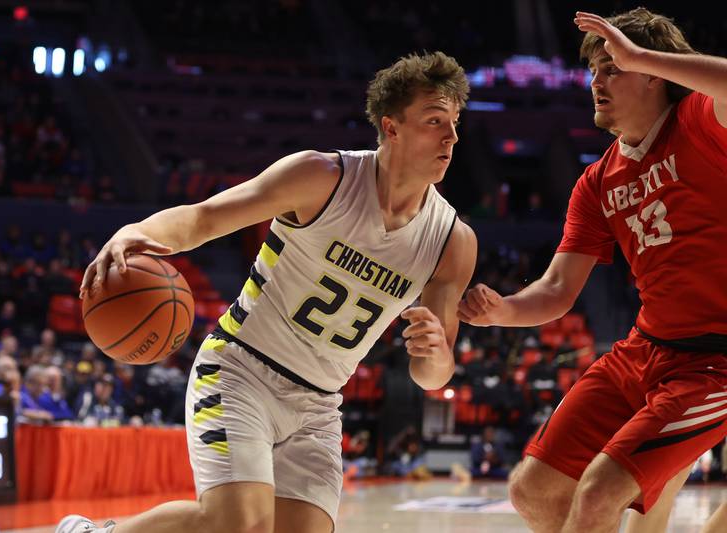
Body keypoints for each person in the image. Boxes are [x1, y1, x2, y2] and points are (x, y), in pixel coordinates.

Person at [57, 50, 477, 533]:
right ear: (392, 127)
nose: (451, 136)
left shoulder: (453, 242)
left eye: (455, 122)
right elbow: (206, 218)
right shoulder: (322, 178)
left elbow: (432, 374)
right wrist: (138, 231)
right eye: (434, 120)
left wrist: (434, 351)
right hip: (242, 371)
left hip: (319, 404)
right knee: (239, 526)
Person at [458, 8, 727, 533]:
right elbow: (558, 289)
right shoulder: (597, 181)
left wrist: (644, 53)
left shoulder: (698, 121)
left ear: (656, 74)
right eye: (595, 71)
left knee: (602, 491)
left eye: (612, 68)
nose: (596, 82)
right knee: (531, 490)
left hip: (714, 363)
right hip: (645, 348)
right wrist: (502, 311)